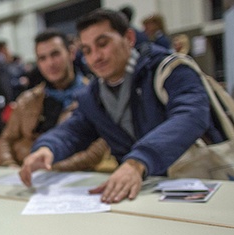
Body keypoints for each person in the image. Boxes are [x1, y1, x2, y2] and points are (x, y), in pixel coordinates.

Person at [20, 9, 223, 203]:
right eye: (87, 50)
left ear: (129, 38)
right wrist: (46, 148)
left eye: (103, 44)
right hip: (141, 192)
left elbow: (190, 115)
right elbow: (73, 130)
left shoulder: (169, 70)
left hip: (194, 182)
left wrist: (139, 161)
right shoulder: (93, 96)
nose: (96, 57)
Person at [0, 29, 110, 171]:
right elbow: (6, 139)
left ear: (71, 53)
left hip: (73, 177)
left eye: (55, 54)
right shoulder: (28, 100)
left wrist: (49, 168)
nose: (50, 63)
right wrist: (10, 166)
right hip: (28, 177)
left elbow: (96, 150)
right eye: (42, 58)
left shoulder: (94, 96)